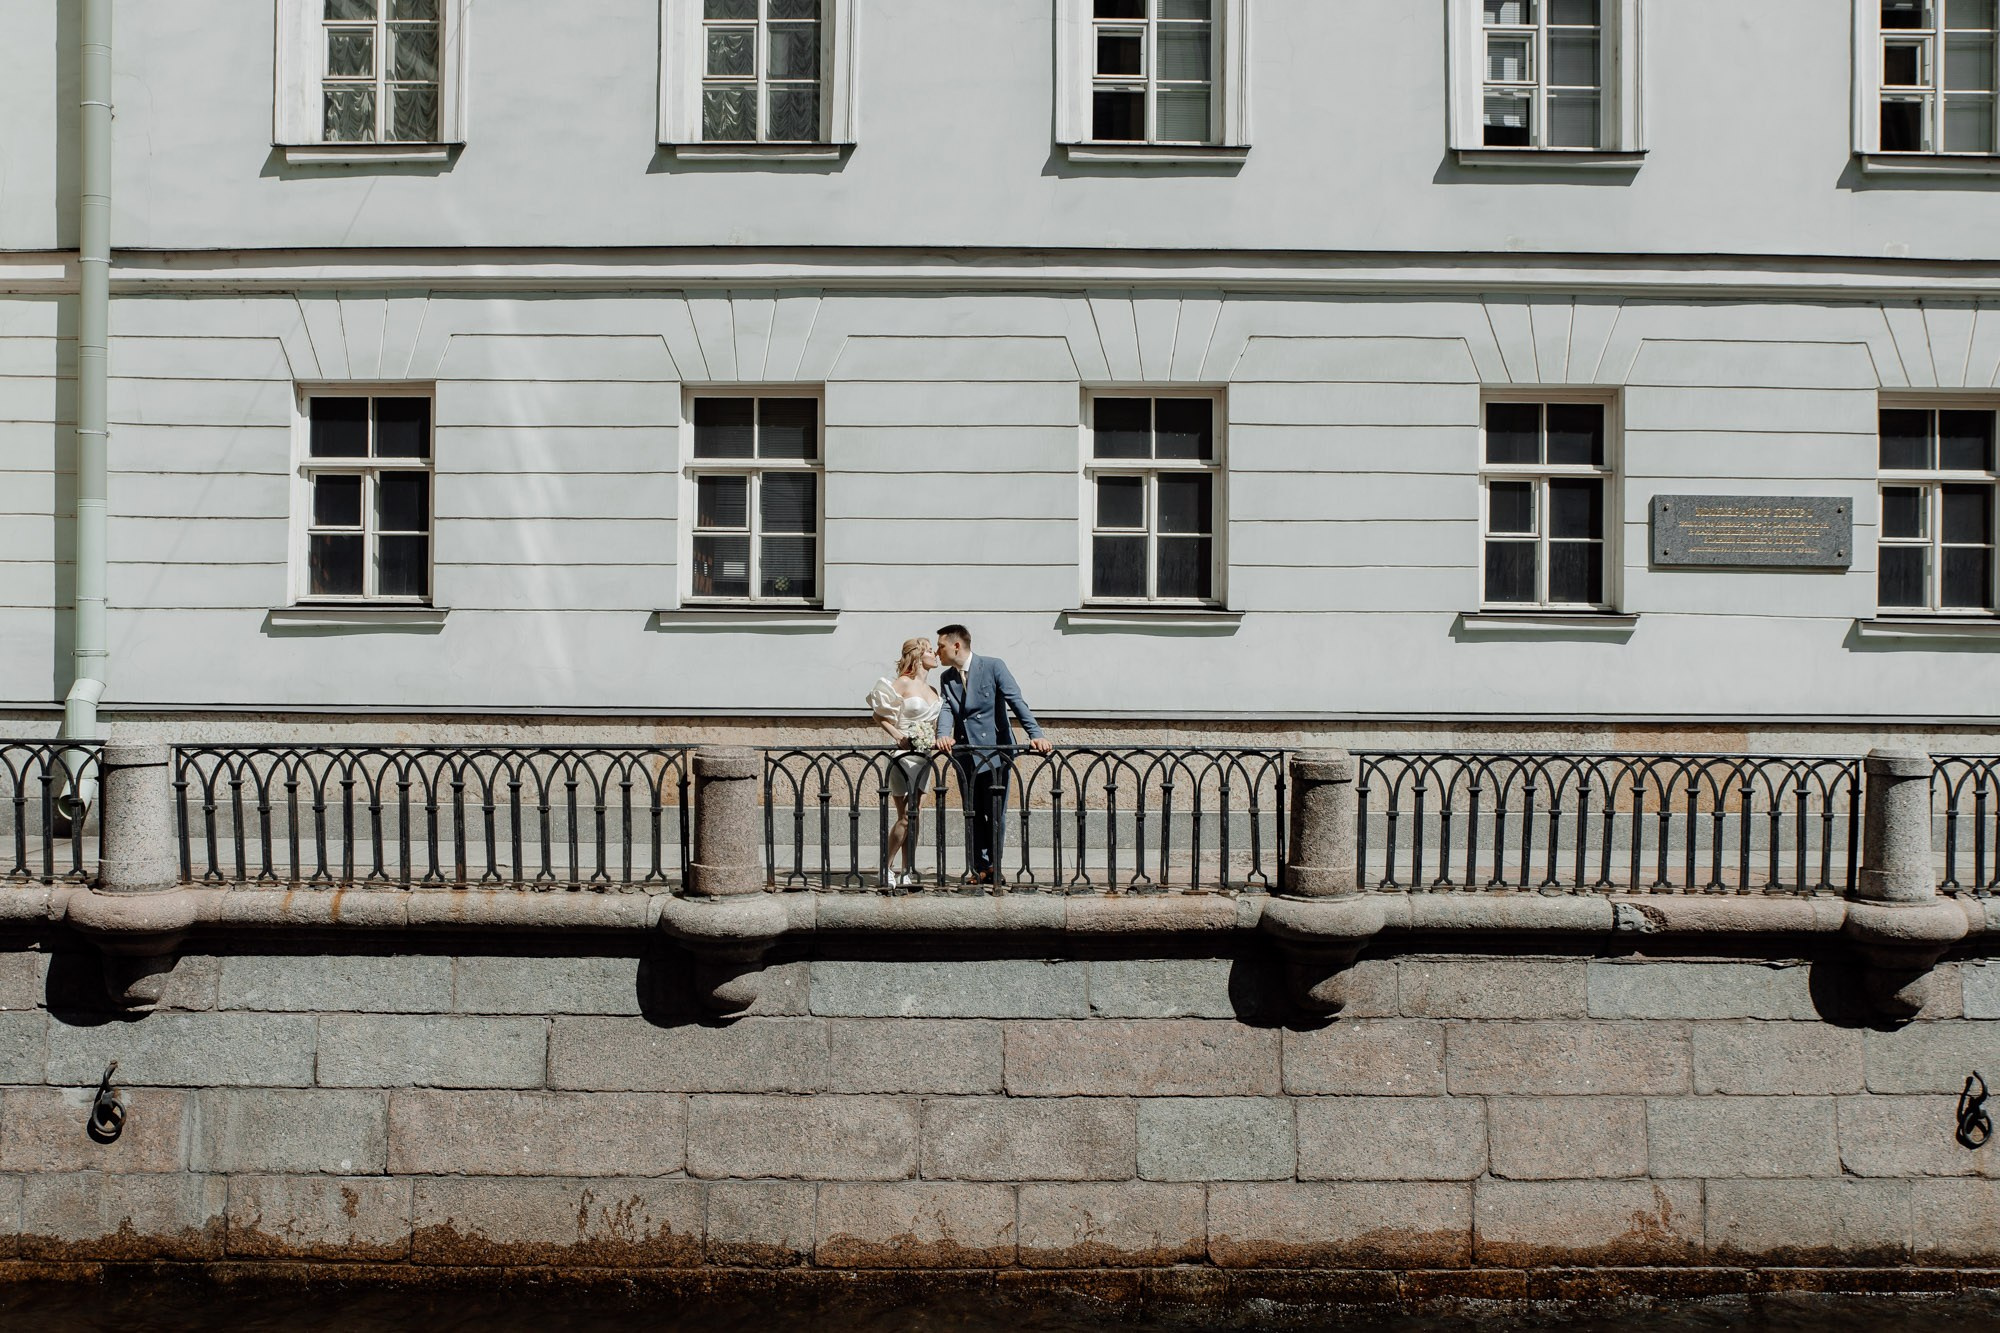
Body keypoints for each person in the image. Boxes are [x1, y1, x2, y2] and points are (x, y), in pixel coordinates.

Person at [932, 624, 1052, 884]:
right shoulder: (947, 678)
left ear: (956, 645)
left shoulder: (994, 666)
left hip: (996, 754)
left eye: (940, 646)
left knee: (995, 812)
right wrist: (942, 734)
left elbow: (1016, 701)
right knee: (972, 813)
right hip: (966, 754)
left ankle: (995, 866)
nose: (936, 651)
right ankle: (979, 868)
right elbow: (946, 710)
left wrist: (1036, 735)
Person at [865, 637, 942, 887]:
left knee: (916, 814)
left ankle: (908, 869)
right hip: (903, 758)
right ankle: (885, 867)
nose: (935, 654)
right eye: (931, 650)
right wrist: (898, 736)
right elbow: (879, 715)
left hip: (924, 758)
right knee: (905, 816)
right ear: (918, 655)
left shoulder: (934, 691)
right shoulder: (903, 683)